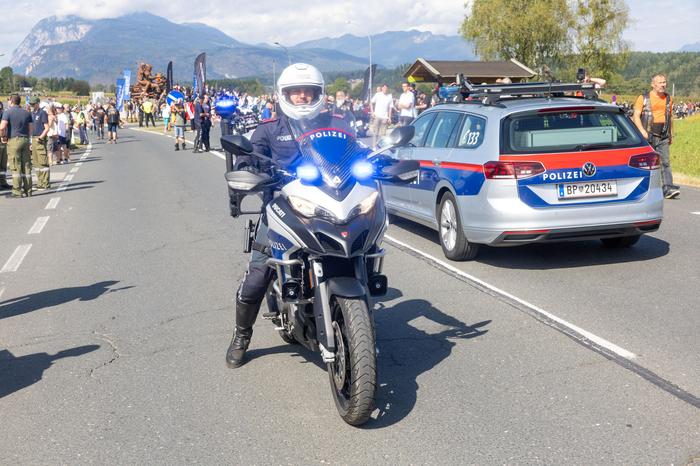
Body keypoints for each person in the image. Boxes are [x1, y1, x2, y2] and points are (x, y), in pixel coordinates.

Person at [225, 63, 327, 369]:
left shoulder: (334, 121)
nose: (302, 97)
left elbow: (356, 149)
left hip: (326, 208)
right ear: (284, 95)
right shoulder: (269, 128)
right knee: (258, 275)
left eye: (308, 91)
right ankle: (242, 334)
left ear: (318, 93)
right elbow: (248, 155)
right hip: (282, 208)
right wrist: (246, 169)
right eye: (295, 92)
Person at [632, 73, 679, 199]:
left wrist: (671, 134)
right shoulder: (643, 98)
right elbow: (636, 116)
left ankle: (668, 188)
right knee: (646, 163)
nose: (663, 85)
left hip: (663, 135)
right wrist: (641, 131)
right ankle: (642, 188)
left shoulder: (668, 98)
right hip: (648, 134)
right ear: (653, 84)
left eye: (664, 82)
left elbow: (670, 117)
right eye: (660, 82)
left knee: (666, 162)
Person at [0, 94, 34, 197]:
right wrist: (28, 139)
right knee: (26, 165)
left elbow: (2, 127)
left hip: (14, 140)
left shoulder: (8, 112)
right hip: (25, 140)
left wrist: (3, 136)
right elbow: (31, 129)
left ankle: (17, 191)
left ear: (11, 101)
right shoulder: (27, 112)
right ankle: (28, 190)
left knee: (15, 166)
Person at [30, 97, 51, 190]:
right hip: (33, 139)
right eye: (31, 104)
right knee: (36, 163)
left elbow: (47, 128)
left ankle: (45, 183)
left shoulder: (42, 113)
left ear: (38, 103)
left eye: (33, 104)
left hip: (40, 139)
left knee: (43, 162)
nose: (32, 106)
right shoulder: (31, 114)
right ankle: (39, 182)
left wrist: (40, 137)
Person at [0, 102, 9, 190]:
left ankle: (3, 181)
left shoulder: (3, 113)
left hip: (3, 140)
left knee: (3, 163)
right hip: (2, 138)